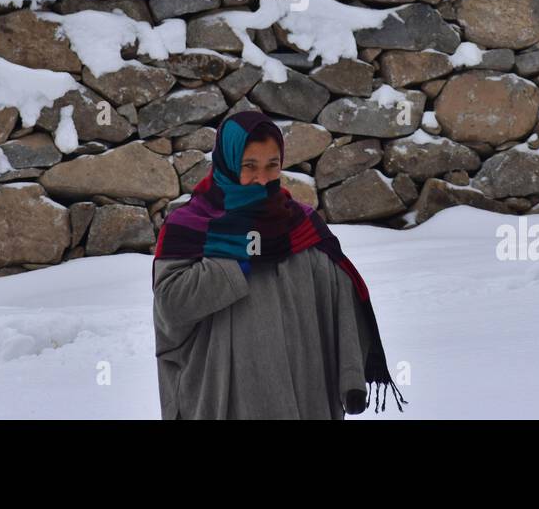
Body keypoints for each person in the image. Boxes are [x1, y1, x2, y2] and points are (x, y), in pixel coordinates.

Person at [151, 108, 407, 419]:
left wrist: (351, 373)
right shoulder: (190, 226)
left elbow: (338, 295)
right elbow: (171, 304)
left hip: (305, 388)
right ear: (228, 163)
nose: (262, 178)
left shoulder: (298, 223)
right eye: (249, 166)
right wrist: (241, 258)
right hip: (228, 395)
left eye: (272, 166)